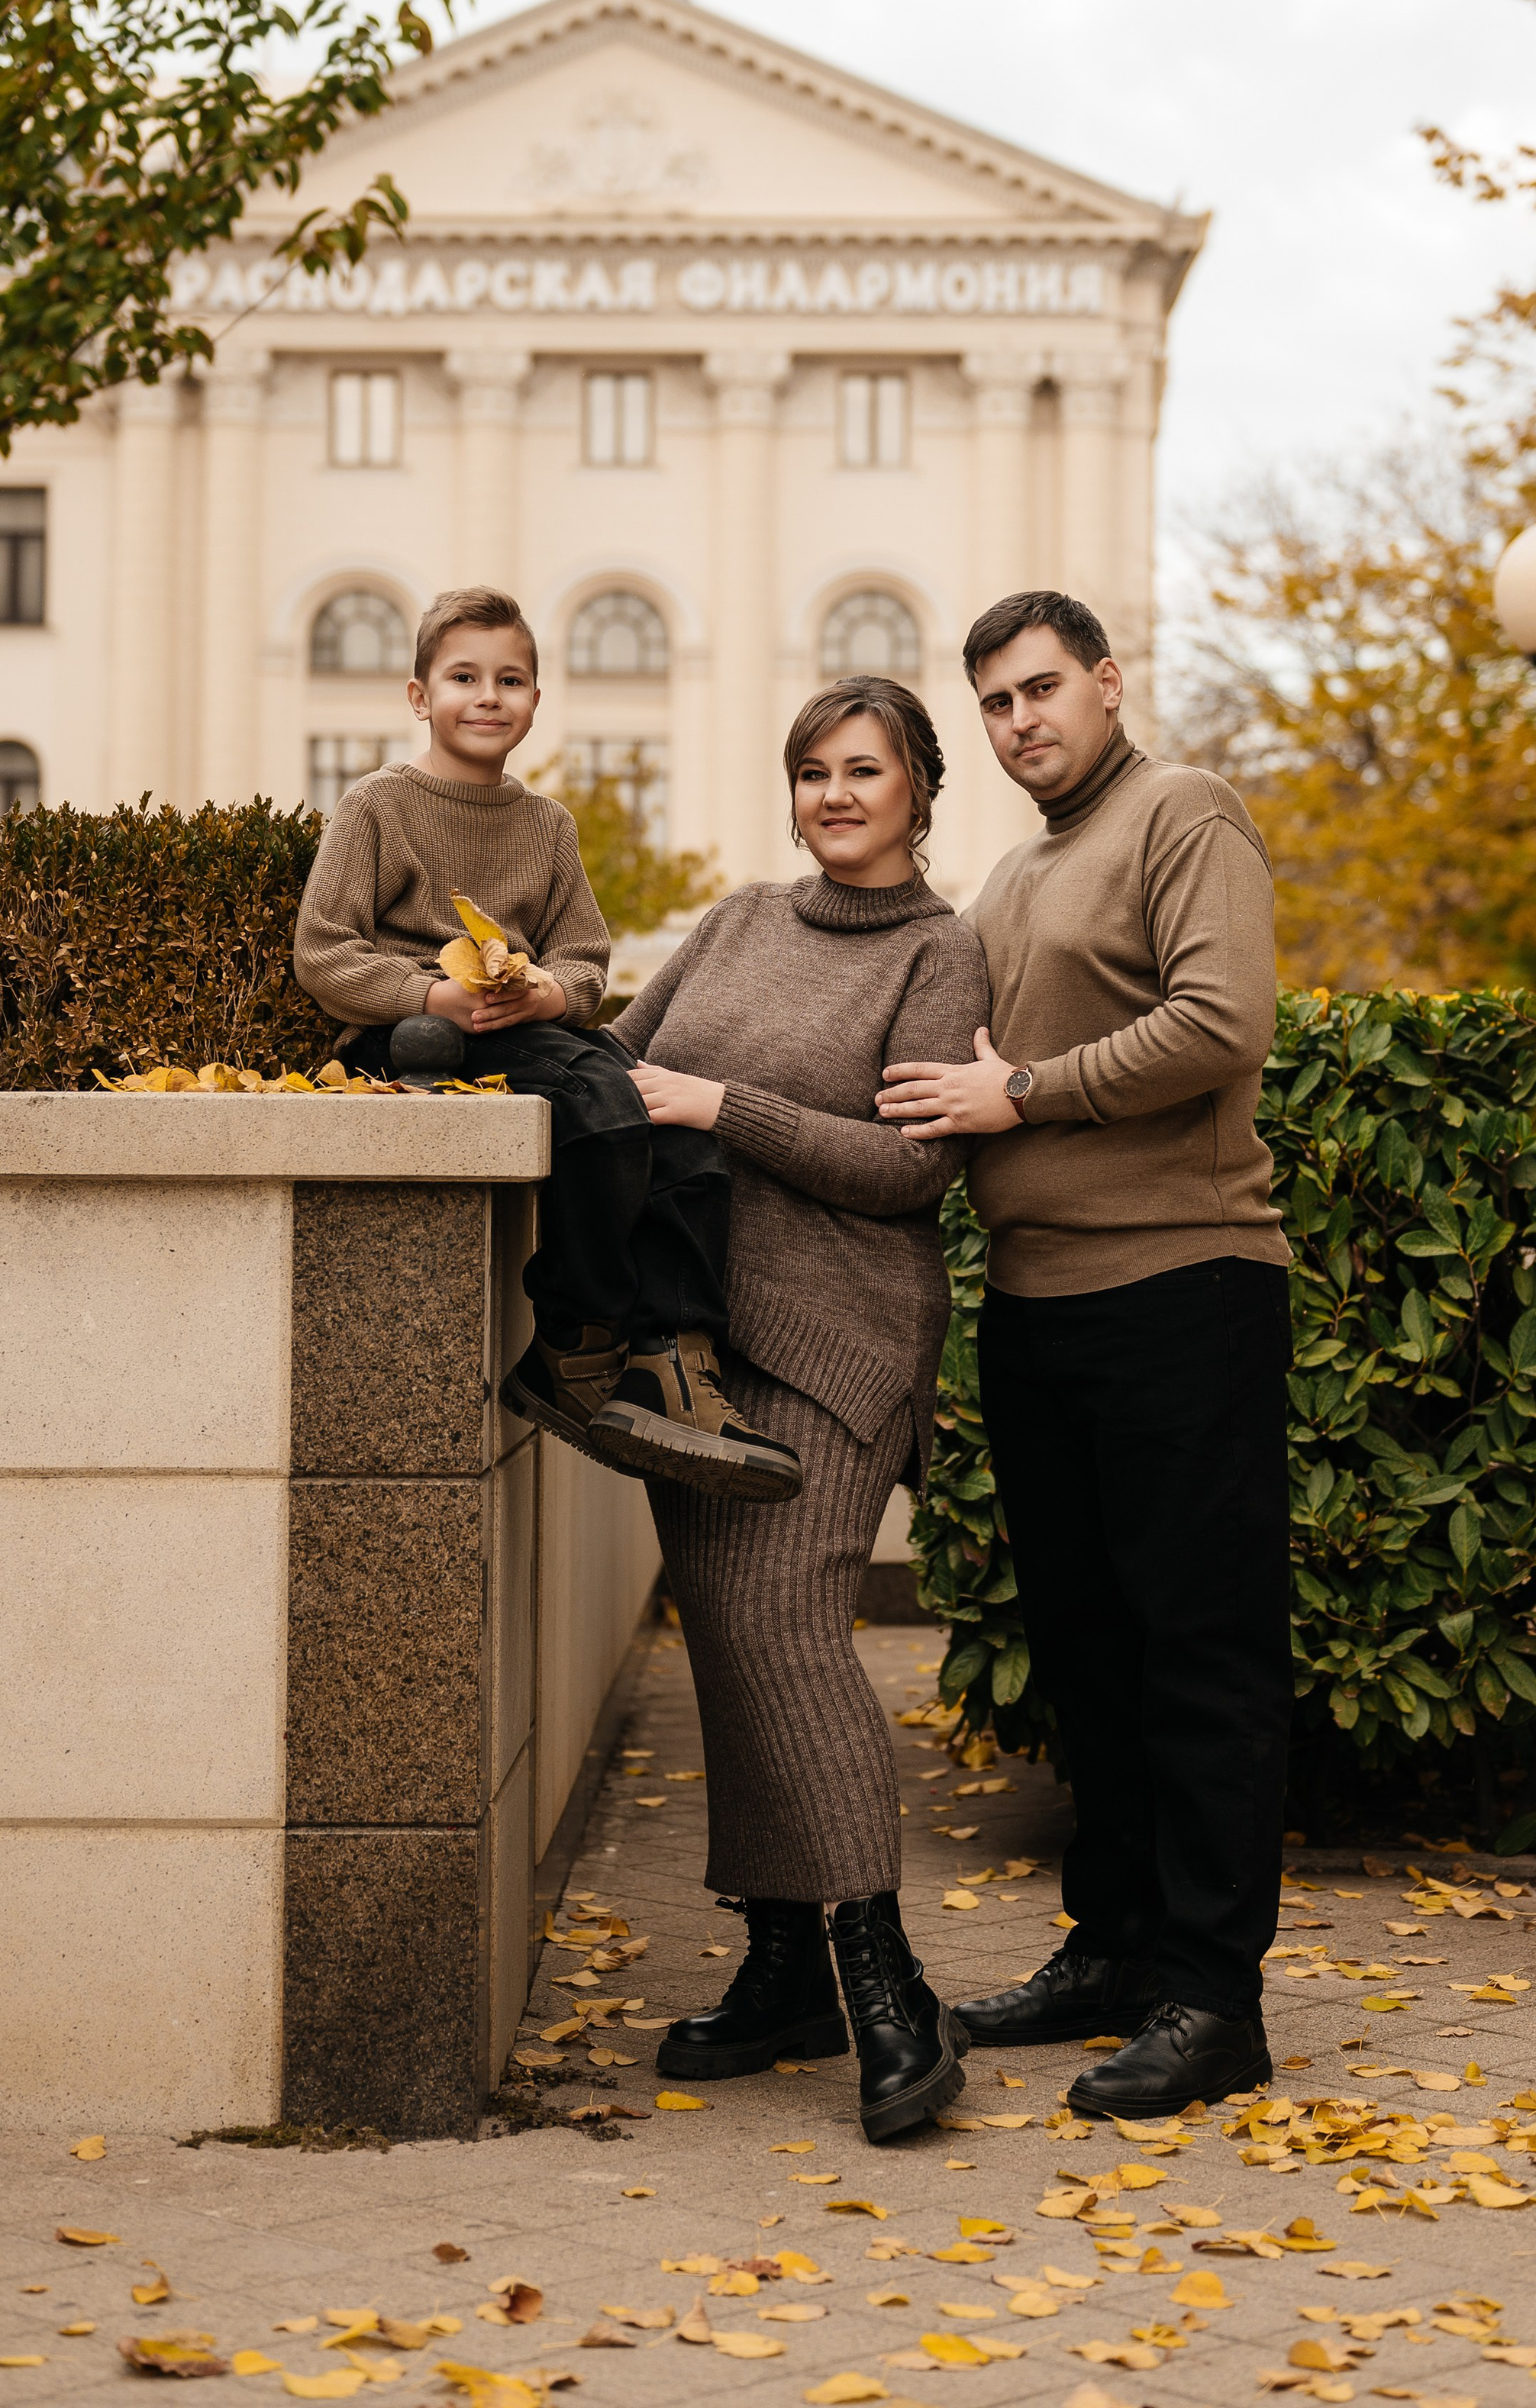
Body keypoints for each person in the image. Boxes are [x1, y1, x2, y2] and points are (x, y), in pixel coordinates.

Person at [876, 590, 1293, 2120]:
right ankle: (1114, 1950)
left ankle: (1210, 1995)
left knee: (1199, 1655)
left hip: (1183, 1286)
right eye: (990, 702)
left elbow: (1218, 1021)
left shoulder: (1182, 812)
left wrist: (1027, 1096)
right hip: (1040, 1306)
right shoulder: (1011, 871)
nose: (1017, 721)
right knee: (1093, 1658)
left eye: (1040, 688)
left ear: (1107, 683)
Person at [607, 675, 992, 2141]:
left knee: (785, 1620)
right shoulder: (733, 921)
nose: (834, 794)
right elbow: (613, 1064)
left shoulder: (940, 952)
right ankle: (779, 1965)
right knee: (723, 1624)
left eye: (864, 770)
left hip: (841, 1339)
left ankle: (879, 1968)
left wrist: (719, 1107)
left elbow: (912, 1169)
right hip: (696, 1341)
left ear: (918, 790)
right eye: (812, 769)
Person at [292, 583, 795, 1500]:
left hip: (529, 1031)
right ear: (419, 696)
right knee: (602, 1118)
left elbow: (587, 959)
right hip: (414, 1041)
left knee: (676, 1126)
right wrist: (433, 994)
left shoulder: (546, 825)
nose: (488, 695)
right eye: (463, 676)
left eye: (511, 678)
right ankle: (574, 1343)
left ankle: (671, 1357)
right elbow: (324, 954)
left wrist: (551, 989)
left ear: (535, 699)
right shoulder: (375, 806)